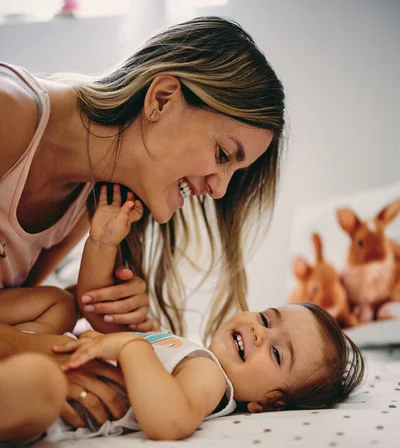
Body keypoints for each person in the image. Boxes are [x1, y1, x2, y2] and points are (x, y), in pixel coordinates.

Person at [0, 16, 285, 424]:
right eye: (223, 155)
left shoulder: (88, 194)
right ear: (162, 99)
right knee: (38, 388)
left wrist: (92, 301)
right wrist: (26, 349)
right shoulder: (8, 112)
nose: (219, 190)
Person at [0, 186, 365, 445]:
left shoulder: (210, 378)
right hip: (48, 349)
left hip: (58, 400)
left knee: (40, 383)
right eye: (267, 319)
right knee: (62, 304)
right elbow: (97, 307)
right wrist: (102, 243)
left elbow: (171, 421)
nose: (259, 333)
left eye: (276, 353)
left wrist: (130, 348)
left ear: (269, 403)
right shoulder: (183, 347)